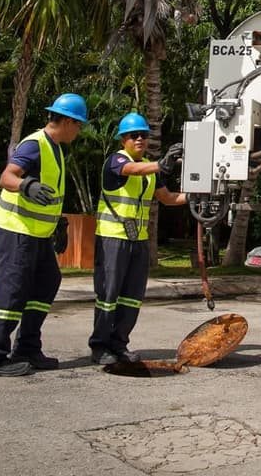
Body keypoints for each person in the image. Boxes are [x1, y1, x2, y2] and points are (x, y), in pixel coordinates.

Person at [0, 93, 88, 377]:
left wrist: (58, 225)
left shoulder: (56, 149)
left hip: (38, 235)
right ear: (65, 121)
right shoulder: (35, 144)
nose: (79, 130)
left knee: (47, 282)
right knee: (12, 292)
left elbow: (50, 195)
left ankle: (26, 347)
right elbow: (7, 177)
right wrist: (26, 185)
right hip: (16, 231)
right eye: (78, 125)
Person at [89, 112, 186, 365]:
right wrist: (161, 164)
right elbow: (130, 169)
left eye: (144, 135)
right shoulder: (116, 161)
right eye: (134, 135)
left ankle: (119, 344)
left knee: (132, 297)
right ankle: (100, 347)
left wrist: (199, 195)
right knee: (108, 295)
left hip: (138, 241)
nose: (140, 139)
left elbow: (167, 198)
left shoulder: (152, 171)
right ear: (124, 139)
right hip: (112, 239)